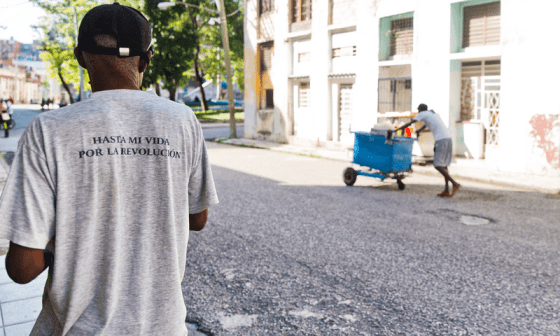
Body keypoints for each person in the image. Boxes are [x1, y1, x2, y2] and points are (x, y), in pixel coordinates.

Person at [0, 3, 219, 335]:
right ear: (146, 59)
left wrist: (73, 235)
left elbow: (21, 267)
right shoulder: (182, 121)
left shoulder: (47, 131)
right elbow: (197, 218)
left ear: (79, 57)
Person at [395, 103, 461, 197]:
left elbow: (411, 123)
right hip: (448, 139)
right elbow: (426, 125)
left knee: (437, 165)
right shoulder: (433, 114)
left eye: (418, 110)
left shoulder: (422, 113)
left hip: (441, 140)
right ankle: (446, 190)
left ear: (421, 109)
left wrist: (400, 129)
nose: (418, 112)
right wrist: (419, 130)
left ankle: (454, 183)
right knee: (444, 165)